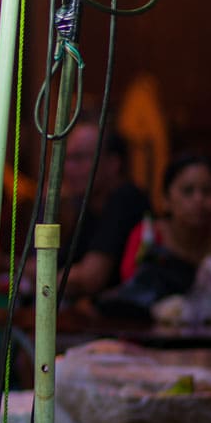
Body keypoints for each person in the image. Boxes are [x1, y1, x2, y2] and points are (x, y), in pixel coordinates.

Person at [58, 119, 150, 301]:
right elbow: (59, 265)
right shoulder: (87, 205)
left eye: (78, 158)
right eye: (66, 159)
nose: (67, 168)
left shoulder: (126, 199)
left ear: (113, 163)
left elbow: (91, 278)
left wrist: (44, 278)